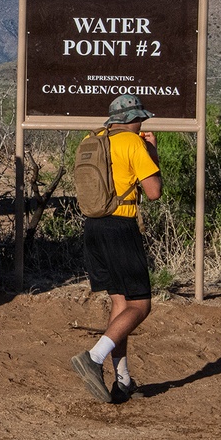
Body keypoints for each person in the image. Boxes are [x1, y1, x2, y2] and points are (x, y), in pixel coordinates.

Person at [70, 94, 162, 404]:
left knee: (120, 303)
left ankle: (122, 380)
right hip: (120, 229)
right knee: (141, 305)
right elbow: (153, 192)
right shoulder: (132, 143)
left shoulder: (92, 139)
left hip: (93, 228)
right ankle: (93, 358)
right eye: (141, 119)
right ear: (131, 120)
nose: (143, 124)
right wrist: (153, 152)